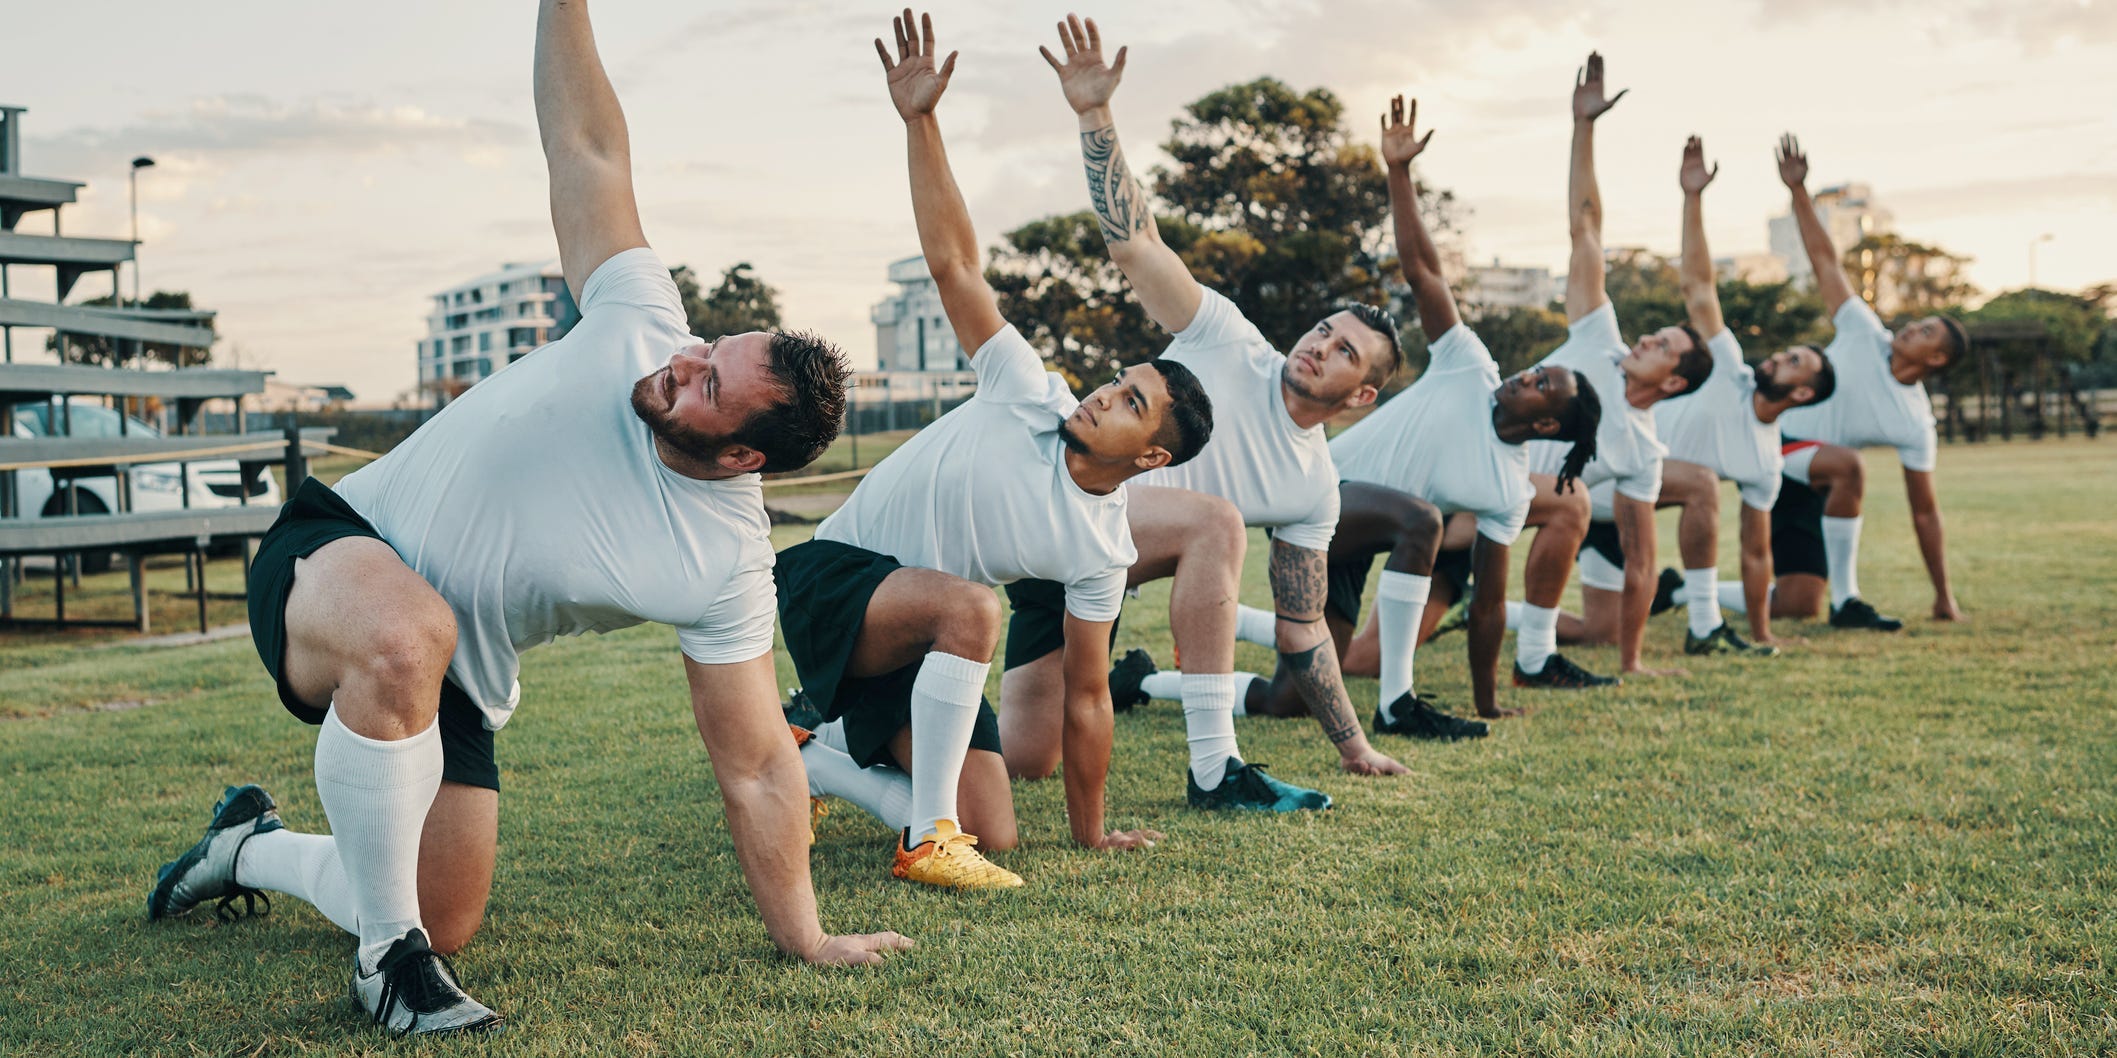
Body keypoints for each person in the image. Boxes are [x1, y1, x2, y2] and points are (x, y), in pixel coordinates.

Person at [143, 0, 907, 1037]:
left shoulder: (721, 563)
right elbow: (586, 144)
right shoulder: (638, 314)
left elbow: (758, 761)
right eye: (708, 347)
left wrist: (807, 935)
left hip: (453, 674)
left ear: (742, 456)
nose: (683, 363)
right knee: (407, 642)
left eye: (709, 386)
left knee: (440, 908)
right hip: (332, 552)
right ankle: (383, 967)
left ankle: (245, 846)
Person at [776, 11, 1208, 887]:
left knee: (1000, 829)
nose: (1101, 391)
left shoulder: (1101, 549)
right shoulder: (1026, 390)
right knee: (974, 607)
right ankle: (924, 838)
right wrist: (919, 120)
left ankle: (806, 753)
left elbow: (1087, 697)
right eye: (1117, 379)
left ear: (1152, 458)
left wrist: (1090, 834)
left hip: (927, 636)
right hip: (832, 583)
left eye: (1131, 402)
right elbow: (956, 268)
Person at [1004, 15, 1410, 816]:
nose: (1319, 347)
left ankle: (838, 724)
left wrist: (1351, 743)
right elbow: (1134, 246)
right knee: (1216, 522)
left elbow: (1301, 627)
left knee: (1028, 761)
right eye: (1324, 330)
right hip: (1049, 510)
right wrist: (1094, 113)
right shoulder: (1227, 338)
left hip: (1097, 578)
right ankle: (1215, 770)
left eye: (1344, 355)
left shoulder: (1313, 490)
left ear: (1360, 396)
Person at [1165, 95, 1600, 732]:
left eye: (1541, 387)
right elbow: (1425, 274)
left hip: (1366, 533)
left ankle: (1144, 679)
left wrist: (1486, 702)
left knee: (1292, 696)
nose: (1525, 375)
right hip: (1316, 494)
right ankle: (1398, 704)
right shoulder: (1467, 366)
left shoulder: (1507, 490)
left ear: (1544, 427)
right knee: (1420, 517)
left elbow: (1487, 606)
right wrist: (1398, 171)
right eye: (1535, 369)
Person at [1503, 52, 1713, 686]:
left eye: (1664, 344)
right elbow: (1585, 225)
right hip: (1480, 482)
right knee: (1367, 659)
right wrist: (1584, 125)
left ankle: (1490, 613)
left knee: (1600, 625)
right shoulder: (1599, 336)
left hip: (1547, 514)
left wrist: (1633, 662)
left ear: (1673, 382)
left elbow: (1644, 561)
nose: (1647, 335)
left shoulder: (1641, 453)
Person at [1727, 133, 1968, 630]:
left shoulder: (1915, 422)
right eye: (1918, 322)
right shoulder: (1863, 331)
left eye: (1925, 332)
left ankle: (1681, 588)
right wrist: (1798, 190)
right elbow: (1824, 261)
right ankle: (1848, 602)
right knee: (1849, 465)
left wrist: (1944, 596)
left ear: (1936, 359)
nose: (1911, 326)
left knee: (1796, 603)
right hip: (1770, 438)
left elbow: (1925, 513)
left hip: (1809, 478)